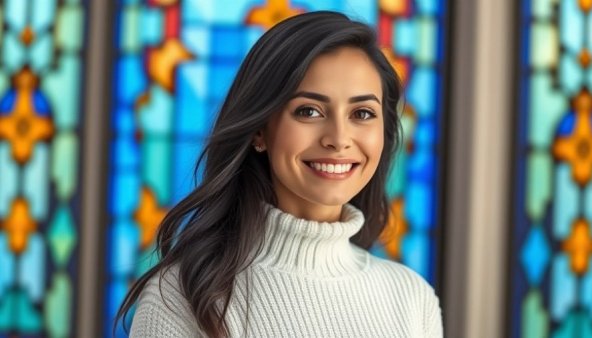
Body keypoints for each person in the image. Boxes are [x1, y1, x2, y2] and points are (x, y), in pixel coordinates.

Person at [117, 10, 443, 338]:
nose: (339, 139)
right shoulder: (183, 296)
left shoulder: (412, 298)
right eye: (309, 111)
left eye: (362, 113)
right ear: (260, 130)